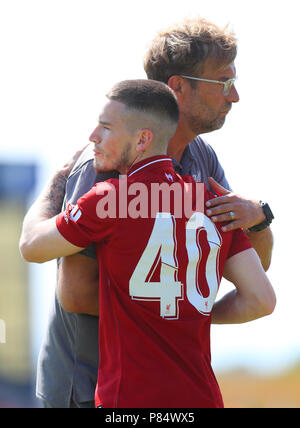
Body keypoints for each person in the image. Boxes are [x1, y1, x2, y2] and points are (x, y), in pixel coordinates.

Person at [31, 17, 274, 408]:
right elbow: (76, 294)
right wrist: (180, 309)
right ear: (178, 88)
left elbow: (241, 270)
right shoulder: (102, 165)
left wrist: (260, 218)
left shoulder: (202, 159)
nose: (235, 96)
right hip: (85, 388)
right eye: (224, 83)